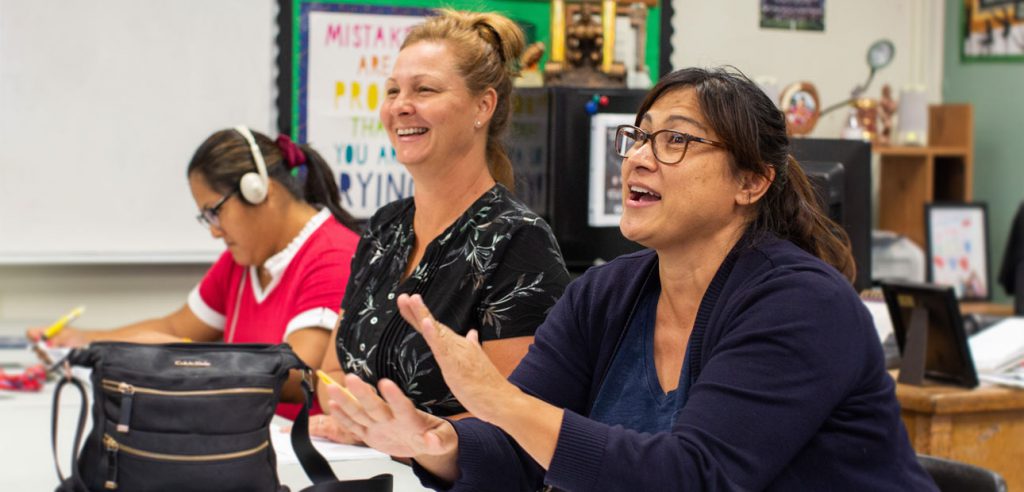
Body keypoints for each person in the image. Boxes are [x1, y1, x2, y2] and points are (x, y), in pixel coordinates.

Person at [319, 67, 939, 491]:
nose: (639, 156)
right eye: (637, 138)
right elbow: (517, 450)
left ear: (751, 182)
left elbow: (693, 478)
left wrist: (500, 402)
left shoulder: (802, 304)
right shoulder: (606, 293)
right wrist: (436, 441)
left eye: (675, 141)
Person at [311, 9, 570, 442]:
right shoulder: (383, 228)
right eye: (393, 90)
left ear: (483, 106)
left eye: (424, 89)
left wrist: (400, 435)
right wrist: (372, 427)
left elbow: (522, 416)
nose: (400, 106)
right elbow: (332, 373)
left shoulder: (517, 241)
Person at [28, 126, 361, 419]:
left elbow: (296, 375)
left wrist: (182, 355)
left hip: (305, 458)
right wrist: (84, 341)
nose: (214, 231)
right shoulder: (246, 258)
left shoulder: (333, 255)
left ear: (262, 191)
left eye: (214, 212)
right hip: (248, 441)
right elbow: (176, 326)